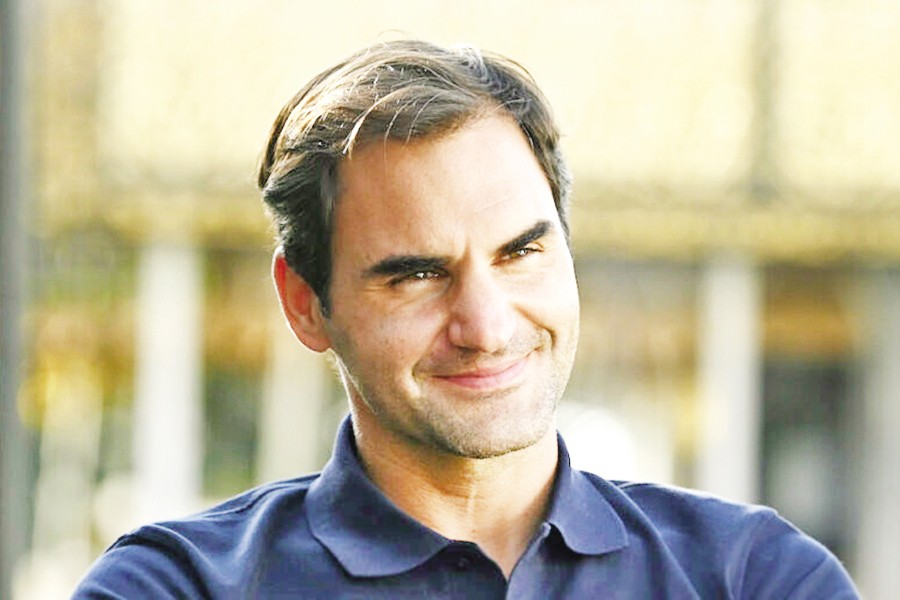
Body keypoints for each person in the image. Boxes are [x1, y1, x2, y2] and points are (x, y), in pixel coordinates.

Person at [73, 39, 858, 598]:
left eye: (521, 253)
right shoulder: (173, 587)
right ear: (305, 303)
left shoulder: (757, 577)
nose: (485, 326)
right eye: (417, 275)